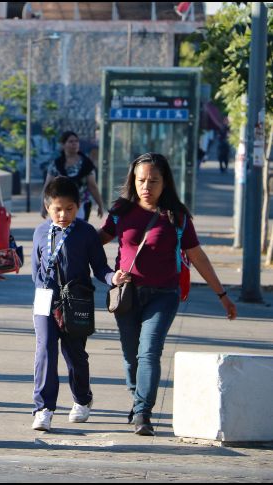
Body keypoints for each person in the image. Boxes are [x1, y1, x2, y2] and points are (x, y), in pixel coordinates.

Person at [98, 152, 237, 436]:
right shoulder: (120, 211)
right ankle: (139, 399)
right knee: (130, 356)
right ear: (133, 181)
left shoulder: (177, 216)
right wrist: (106, 275)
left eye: (153, 180)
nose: (146, 186)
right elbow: (92, 243)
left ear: (165, 183)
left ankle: (143, 413)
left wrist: (221, 294)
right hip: (127, 294)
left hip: (164, 294)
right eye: (141, 180)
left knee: (149, 352)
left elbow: (197, 257)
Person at [30, 177, 129, 432]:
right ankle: (43, 408)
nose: (63, 215)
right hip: (45, 300)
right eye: (57, 209)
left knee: (75, 355)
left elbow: (100, 268)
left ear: (78, 206)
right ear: (47, 207)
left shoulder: (85, 233)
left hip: (76, 301)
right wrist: (45, 293)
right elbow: (35, 271)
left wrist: (113, 278)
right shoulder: (40, 232)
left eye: (70, 209)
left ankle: (82, 399)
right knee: (45, 351)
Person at [41, 131, 104, 222]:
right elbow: (48, 186)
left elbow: (93, 186)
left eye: (76, 141)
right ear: (63, 145)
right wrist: (43, 207)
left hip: (81, 204)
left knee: (79, 231)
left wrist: (100, 205)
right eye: (71, 142)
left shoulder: (86, 163)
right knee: (62, 231)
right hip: (59, 205)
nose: (74, 144)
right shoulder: (56, 164)